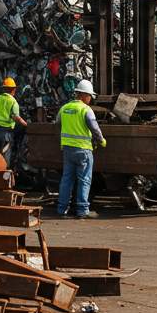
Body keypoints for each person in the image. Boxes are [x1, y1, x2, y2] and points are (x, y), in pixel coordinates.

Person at [56, 79, 106, 219]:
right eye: (89, 96)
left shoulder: (64, 108)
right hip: (83, 150)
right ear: (83, 95)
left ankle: (62, 209)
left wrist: (63, 140)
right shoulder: (86, 110)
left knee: (67, 179)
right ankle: (82, 210)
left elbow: (57, 124)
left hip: (68, 150)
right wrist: (101, 140)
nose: (90, 99)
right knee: (84, 180)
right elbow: (94, 128)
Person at [0, 77, 28, 167]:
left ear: (3, 89)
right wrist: (26, 124)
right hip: (6, 131)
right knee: (5, 152)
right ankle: (4, 170)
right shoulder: (13, 102)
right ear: (13, 89)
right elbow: (16, 117)